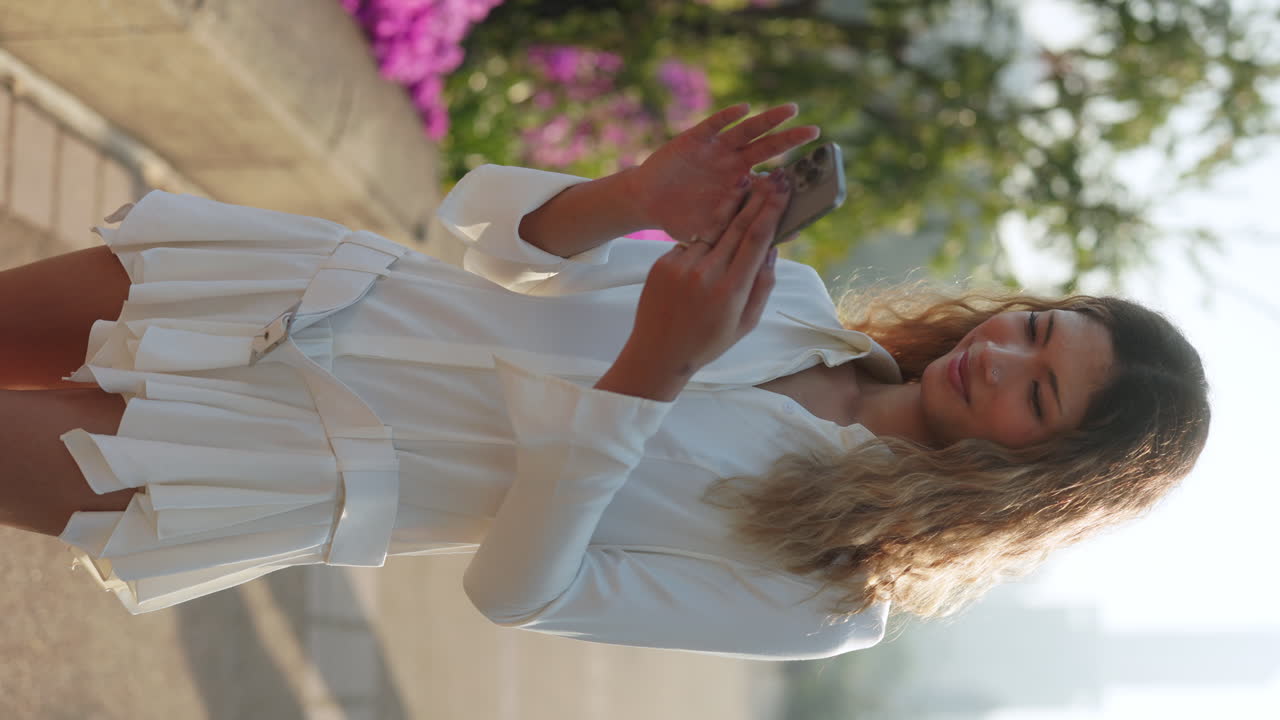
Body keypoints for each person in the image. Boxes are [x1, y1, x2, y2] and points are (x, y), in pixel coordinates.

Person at [0, 103, 1209, 661]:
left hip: (284, 468)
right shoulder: (789, 295)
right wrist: (634, 199)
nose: (996, 351)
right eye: (1032, 327)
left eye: (1034, 391)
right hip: (305, 295)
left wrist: (647, 377)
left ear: (1036, 476)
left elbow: (518, 595)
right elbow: (499, 251)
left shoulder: (828, 600)